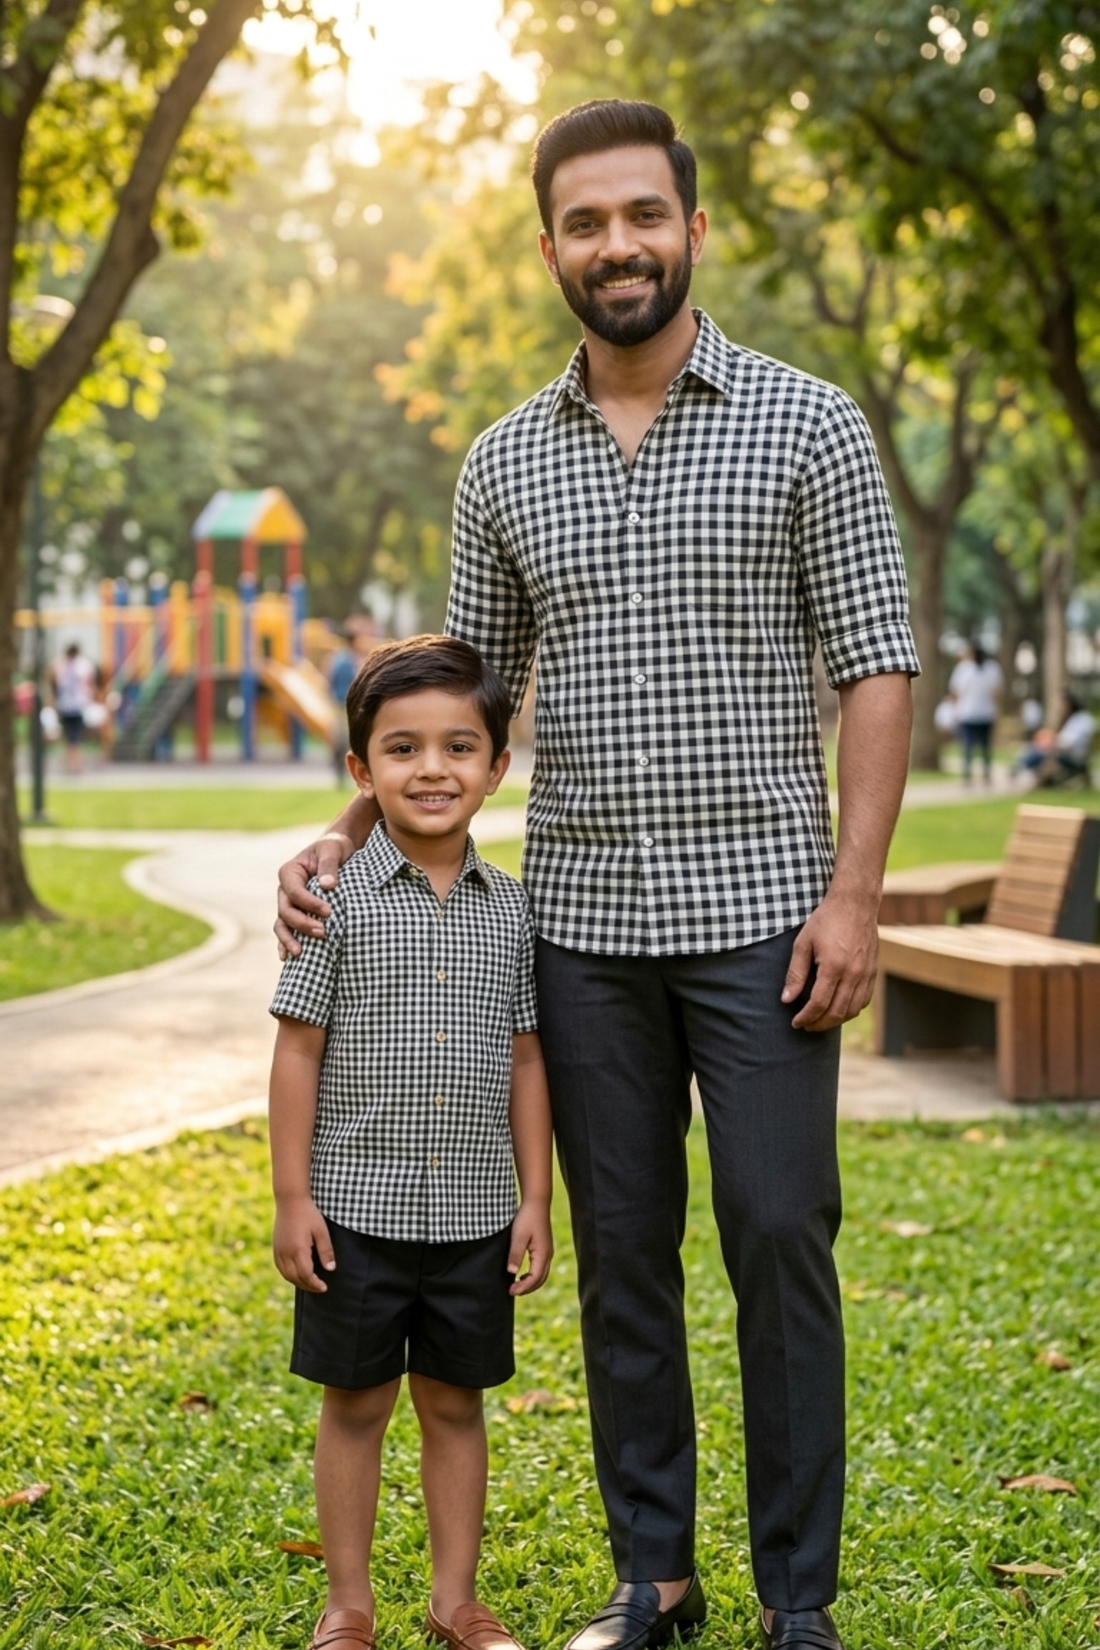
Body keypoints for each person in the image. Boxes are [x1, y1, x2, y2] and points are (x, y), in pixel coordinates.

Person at [276, 101, 918, 1650]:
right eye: (584, 221)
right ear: (550, 245)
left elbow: (877, 664)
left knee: (779, 1232)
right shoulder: (503, 460)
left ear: (692, 228)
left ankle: (799, 1596)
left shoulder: (810, 423)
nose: (616, 244)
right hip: (579, 929)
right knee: (623, 1252)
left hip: (768, 918)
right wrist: (349, 831)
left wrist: (855, 895)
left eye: (641, 214)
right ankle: (655, 1574)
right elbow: (458, 699)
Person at [269, 635, 553, 1650]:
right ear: (361, 770)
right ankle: (347, 1604)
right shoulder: (331, 902)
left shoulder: (513, 910)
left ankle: (454, 1600)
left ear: (496, 767)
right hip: (354, 1212)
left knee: (454, 1404)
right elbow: (296, 1052)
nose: (431, 769)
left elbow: (528, 1059)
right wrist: (292, 1198)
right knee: (354, 1405)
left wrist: (535, 1199)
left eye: (457, 747)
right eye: (402, 749)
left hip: (475, 1215)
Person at [1014, 688, 1096, 787]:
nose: (1061, 708)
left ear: (1070, 704)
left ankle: (1020, 767)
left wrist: (1052, 743)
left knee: (1041, 752)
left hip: (1073, 756)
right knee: (1038, 749)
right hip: (1074, 754)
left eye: (1063, 705)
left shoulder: (1080, 720)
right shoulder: (1082, 718)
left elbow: (1068, 743)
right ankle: (1021, 766)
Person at [948, 641, 1003, 781]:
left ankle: (985, 774)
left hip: (985, 714)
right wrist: (955, 710)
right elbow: (955, 691)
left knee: (985, 746)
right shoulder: (964, 668)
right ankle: (968, 775)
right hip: (968, 714)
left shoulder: (991, 668)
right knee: (968, 746)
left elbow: (996, 691)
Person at [51, 641, 96, 774]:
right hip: (76, 705)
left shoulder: (61, 664)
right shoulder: (83, 665)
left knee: (70, 736)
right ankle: (74, 763)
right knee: (75, 736)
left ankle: (72, 763)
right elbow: (89, 683)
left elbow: (54, 681)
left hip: (68, 705)